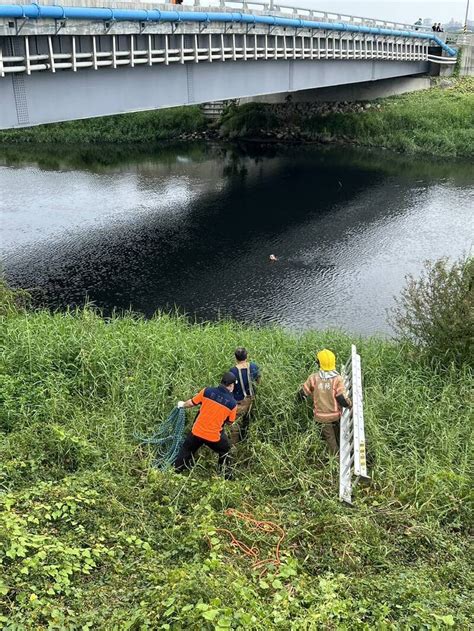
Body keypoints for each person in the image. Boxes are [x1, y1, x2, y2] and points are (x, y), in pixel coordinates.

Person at [174, 372, 237, 478]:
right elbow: (230, 422)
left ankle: (176, 472)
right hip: (213, 438)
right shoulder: (232, 404)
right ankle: (224, 475)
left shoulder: (207, 391)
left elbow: (191, 403)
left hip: (197, 432)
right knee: (225, 451)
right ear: (231, 385)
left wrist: (182, 404)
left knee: (186, 450)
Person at [299, 349, 352, 455]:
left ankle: (335, 457)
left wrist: (297, 402)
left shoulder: (313, 378)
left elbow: (302, 394)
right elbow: (341, 398)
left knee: (330, 438)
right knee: (339, 432)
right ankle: (346, 450)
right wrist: (350, 404)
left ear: (319, 363)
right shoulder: (337, 379)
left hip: (321, 417)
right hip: (335, 415)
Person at [228, 347, 261, 445]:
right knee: (248, 422)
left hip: (239, 403)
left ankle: (234, 446)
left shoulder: (233, 371)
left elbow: (230, 388)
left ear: (235, 358)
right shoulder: (254, 367)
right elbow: (258, 382)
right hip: (252, 401)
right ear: (247, 356)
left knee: (235, 426)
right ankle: (246, 442)